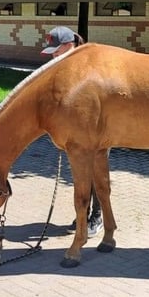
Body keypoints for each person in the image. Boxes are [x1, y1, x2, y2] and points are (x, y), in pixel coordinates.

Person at [41, 26, 103, 238]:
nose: (54, 58)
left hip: (97, 131)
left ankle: (97, 216)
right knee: (84, 173)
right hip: (77, 132)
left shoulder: (88, 68)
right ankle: (84, 215)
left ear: (70, 46)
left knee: (95, 173)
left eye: (57, 52)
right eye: (53, 54)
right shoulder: (64, 68)